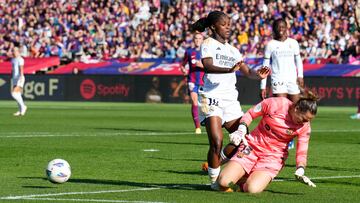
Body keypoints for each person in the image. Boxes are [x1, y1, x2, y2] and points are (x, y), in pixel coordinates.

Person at [191, 10, 270, 189]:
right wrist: (228, 70)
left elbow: (247, 71)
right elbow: (208, 66)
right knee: (216, 142)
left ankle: (216, 164)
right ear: (213, 27)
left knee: (244, 141)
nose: (228, 28)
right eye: (224, 24)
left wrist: (259, 75)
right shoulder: (207, 43)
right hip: (211, 98)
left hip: (230, 101)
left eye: (229, 24)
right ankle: (214, 182)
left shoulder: (233, 50)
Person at [217, 90, 318, 193]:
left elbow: (302, 150)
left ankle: (244, 182)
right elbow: (250, 114)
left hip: (273, 157)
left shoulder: (305, 127)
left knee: (252, 189)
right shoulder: (276, 104)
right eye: (305, 119)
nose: (306, 123)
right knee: (224, 182)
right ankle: (239, 175)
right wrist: (242, 128)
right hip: (251, 147)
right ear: (297, 109)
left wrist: (300, 168)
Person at [260, 18, 304, 149]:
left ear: (286, 28)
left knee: (297, 109)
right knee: (281, 110)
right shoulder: (271, 45)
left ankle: (292, 135)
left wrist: (300, 76)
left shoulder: (293, 43)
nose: (281, 29)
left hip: (292, 80)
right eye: (278, 27)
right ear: (274, 29)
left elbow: (298, 61)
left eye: (283, 26)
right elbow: (265, 66)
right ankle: (284, 138)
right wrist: (263, 85)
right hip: (278, 79)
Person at [180, 33, 205, 134]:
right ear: (193, 40)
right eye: (196, 38)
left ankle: (207, 123)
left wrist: (202, 66)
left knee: (205, 105)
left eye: (200, 38)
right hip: (192, 80)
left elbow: (212, 66)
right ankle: (197, 127)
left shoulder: (206, 52)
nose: (198, 40)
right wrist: (183, 70)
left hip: (204, 81)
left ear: (202, 40)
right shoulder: (189, 52)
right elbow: (183, 64)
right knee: (194, 101)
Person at [11, 47, 27, 116]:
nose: (13, 52)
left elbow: (21, 69)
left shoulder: (20, 59)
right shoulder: (13, 59)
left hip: (19, 78)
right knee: (18, 94)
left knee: (14, 93)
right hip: (14, 78)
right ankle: (20, 110)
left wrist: (21, 77)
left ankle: (23, 106)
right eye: (13, 51)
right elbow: (13, 69)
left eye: (14, 51)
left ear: (18, 51)